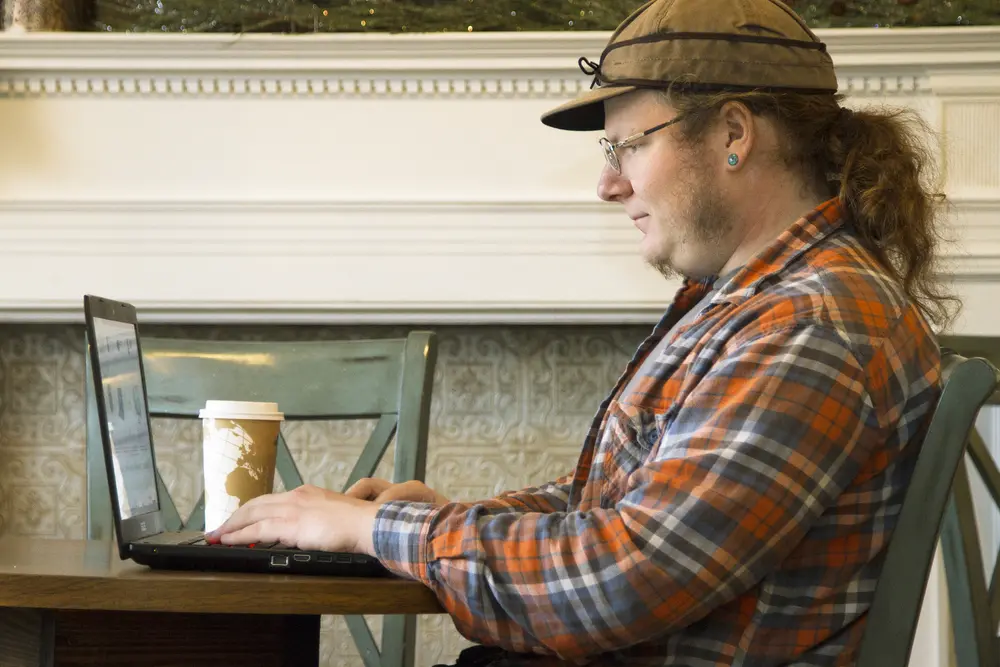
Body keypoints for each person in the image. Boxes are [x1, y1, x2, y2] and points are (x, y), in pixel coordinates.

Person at [206, 0, 959, 664]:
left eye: (629, 145)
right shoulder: (754, 304)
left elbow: (621, 575)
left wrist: (380, 530)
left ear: (734, 132)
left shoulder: (809, 326)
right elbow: (618, 508)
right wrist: (433, 522)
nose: (609, 184)